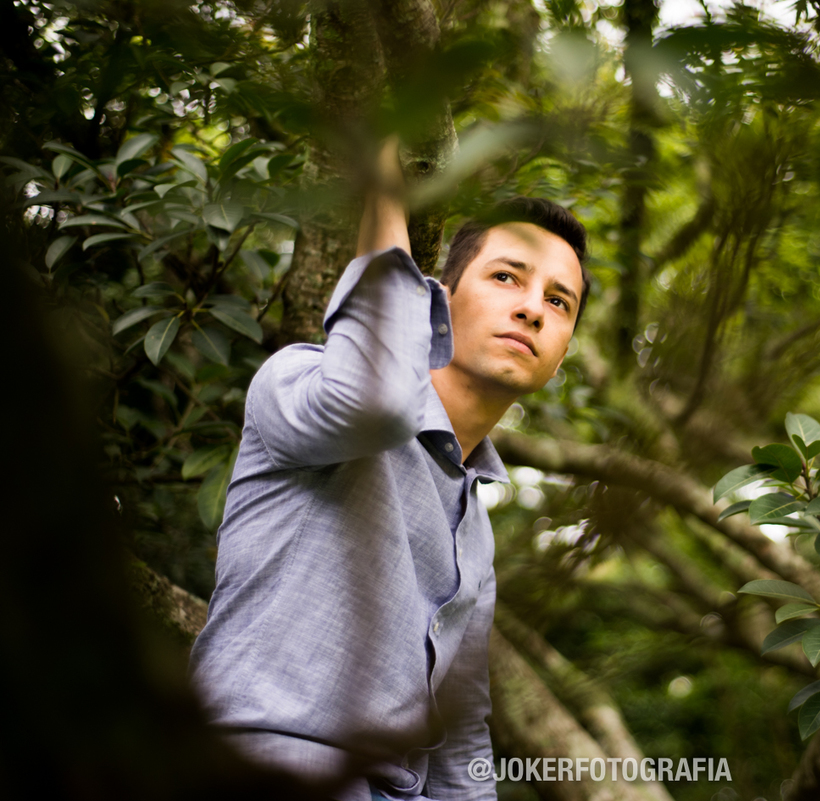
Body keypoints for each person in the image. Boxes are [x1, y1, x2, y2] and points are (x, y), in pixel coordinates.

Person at [188, 140, 590, 801]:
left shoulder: (476, 532)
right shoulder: (297, 378)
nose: (532, 309)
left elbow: (461, 736)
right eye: (506, 278)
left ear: (563, 348)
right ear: (438, 295)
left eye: (560, 300)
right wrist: (385, 195)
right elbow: (372, 402)